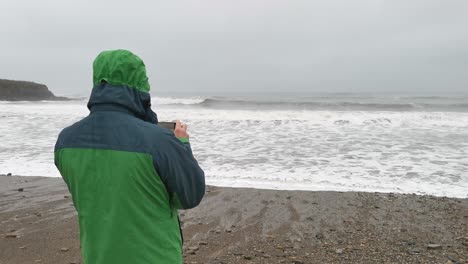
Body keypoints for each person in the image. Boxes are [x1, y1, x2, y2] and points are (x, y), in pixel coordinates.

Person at [54, 49, 205, 263]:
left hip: (98, 256)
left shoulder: (65, 141)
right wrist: (181, 144)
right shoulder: (160, 141)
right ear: (140, 85)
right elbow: (190, 195)